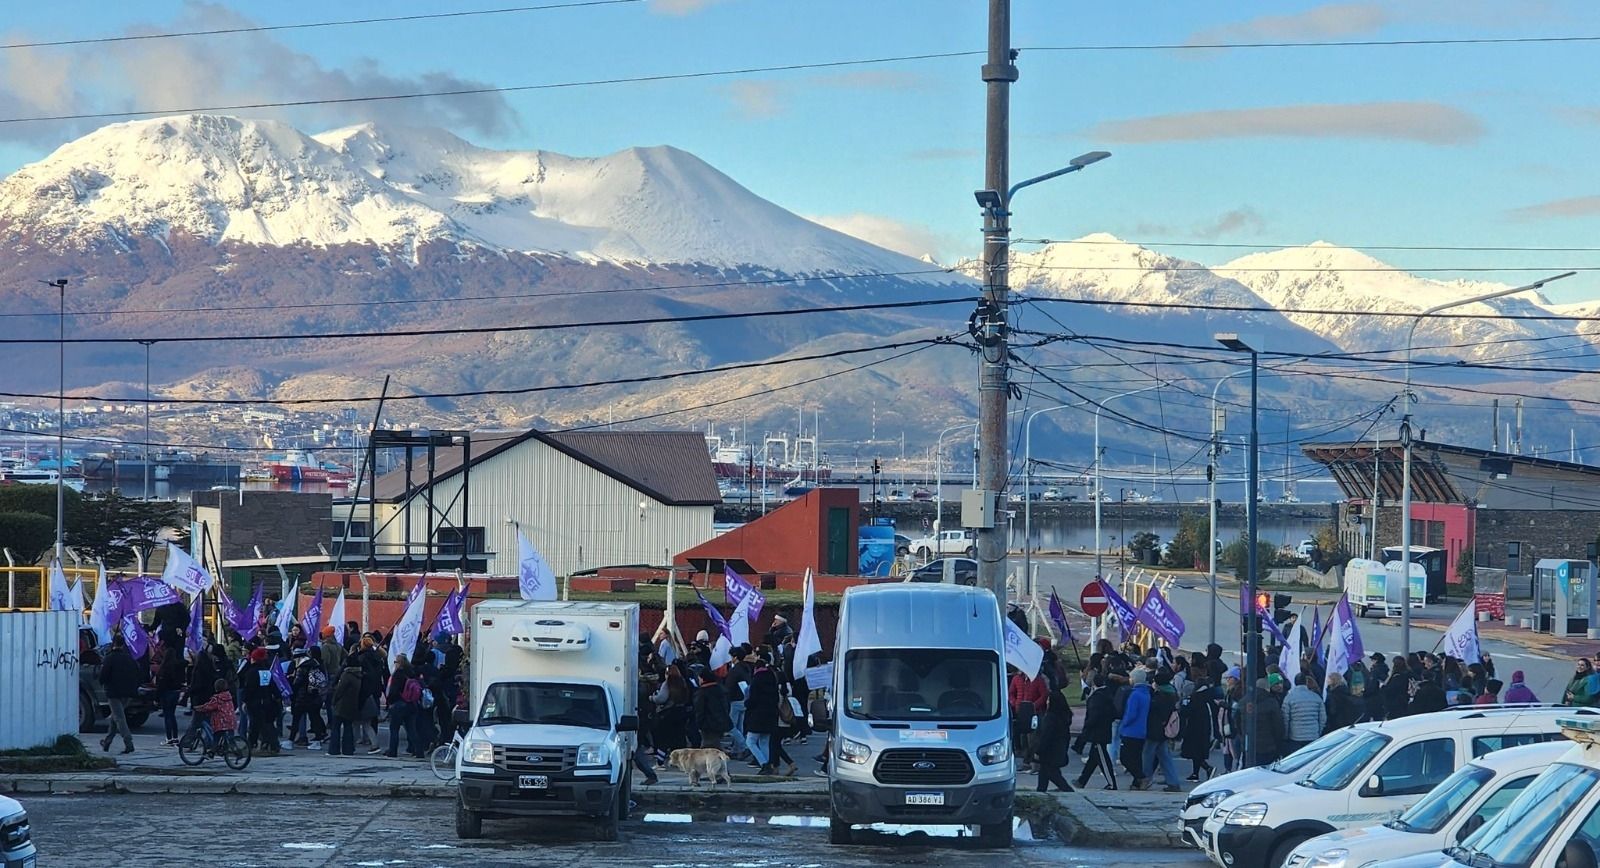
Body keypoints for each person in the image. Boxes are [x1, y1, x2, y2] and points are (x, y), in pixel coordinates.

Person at [98, 634, 142, 754]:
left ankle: (129, 743)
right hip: (128, 693)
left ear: (113, 643)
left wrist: (103, 683)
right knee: (115, 717)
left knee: (119, 718)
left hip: (114, 693)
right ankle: (107, 742)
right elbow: (138, 673)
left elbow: (103, 676)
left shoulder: (109, 658)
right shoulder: (129, 658)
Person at [1074, 674, 1118, 790]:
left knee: (1103, 759)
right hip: (1104, 729)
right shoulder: (1108, 695)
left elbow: (1093, 716)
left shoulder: (1096, 698)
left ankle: (1111, 783)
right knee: (1093, 759)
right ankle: (1082, 780)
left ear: (1094, 684)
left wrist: (1087, 727)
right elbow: (1114, 713)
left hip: (1097, 732)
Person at [1142, 671, 1182, 792]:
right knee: (1165, 756)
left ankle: (1145, 780)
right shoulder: (1171, 693)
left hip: (1154, 730)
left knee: (1147, 755)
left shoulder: (1159, 697)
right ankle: (1173, 782)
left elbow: (1153, 710)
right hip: (1164, 729)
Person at [240, 647, 281, 755]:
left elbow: (249, 688)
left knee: (254, 725)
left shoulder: (251, 672)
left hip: (254, 702)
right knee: (267, 724)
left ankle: (251, 744)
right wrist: (278, 697)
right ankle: (273, 745)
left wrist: (244, 701)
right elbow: (273, 686)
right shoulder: (266, 671)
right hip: (267, 701)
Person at [744, 660, 782, 776]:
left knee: (750, 741)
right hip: (771, 714)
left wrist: (747, 703)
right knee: (764, 741)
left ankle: (764, 764)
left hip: (757, 715)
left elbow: (753, 699)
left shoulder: (756, 680)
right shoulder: (772, 678)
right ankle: (768, 764)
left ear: (756, 668)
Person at [1009, 664, 1048, 774]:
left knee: (1033, 738)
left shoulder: (1037, 680)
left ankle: (1032, 762)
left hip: (1034, 712)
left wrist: (1034, 706)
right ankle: (1026, 762)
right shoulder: (1017, 679)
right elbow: (1011, 693)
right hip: (1021, 712)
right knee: (1024, 739)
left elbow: (1044, 695)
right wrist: (1015, 703)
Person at [385, 654, 425, 759]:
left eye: (395, 662)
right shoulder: (411, 672)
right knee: (411, 729)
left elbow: (393, 691)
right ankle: (419, 751)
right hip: (411, 704)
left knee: (394, 729)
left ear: (399, 663)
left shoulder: (398, 674)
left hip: (399, 704)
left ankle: (392, 751)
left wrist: (390, 701)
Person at [1035, 690, 1075, 793]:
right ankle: (1040, 791)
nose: (1047, 702)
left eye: (1048, 700)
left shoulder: (1050, 718)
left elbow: (1045, 736)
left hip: (1050, 752)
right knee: (1044, 772)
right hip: (1059, 750)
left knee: (1052, 774)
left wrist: (1038, 751)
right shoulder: (1064, 716)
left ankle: (1068, 791)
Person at [1180, 676, 1218, 782]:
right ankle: (1195, 773)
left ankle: (1207, 768)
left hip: (1194, 728)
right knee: (1198, 752)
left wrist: (1182, 707)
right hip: (1205, 728)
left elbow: (1187, 712)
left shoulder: (1196, 697)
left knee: (1193, 752)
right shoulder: (1208, 696)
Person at [1118, 668, 1152, 788]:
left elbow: (1131, 714)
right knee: (1136, 758)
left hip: (1130, 731)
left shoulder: (1135, 694)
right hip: (1141, 730)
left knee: (1125, 758)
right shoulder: (1146, 694)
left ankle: (1141, 777)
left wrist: (1124, 724)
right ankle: (1137, 783)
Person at [1280, 674, 1327, 754]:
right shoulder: (1316, 697)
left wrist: (1286, 735)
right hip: (1313, 735)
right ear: (1306, 682)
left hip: (1295, 736)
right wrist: (1318, 731)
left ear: (1295, 683)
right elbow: (1323, 718)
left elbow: (1285, 719)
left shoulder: (1289, 698)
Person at [154, 636, 187, 746]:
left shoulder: (164, 668)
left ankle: (169, 738)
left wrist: (156, 697)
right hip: (175, 692)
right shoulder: (178, 666)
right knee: (172, 715)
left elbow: (161, 684)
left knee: (167, 716)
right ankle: (175, 737)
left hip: (166, 693)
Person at [328, 657, 363, 756]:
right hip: (352, 704)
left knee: (336, 727)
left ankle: (334, 749)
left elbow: (340, 690)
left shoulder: (347, 675)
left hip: (341, 704)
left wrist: (333, 700)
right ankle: (348, 749)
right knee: (348, 727)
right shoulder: (358, 675)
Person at [1246, 677, 1283, 767]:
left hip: (1250, 744)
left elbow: (1237, 721)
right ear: (1267, 688)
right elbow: (1278, 725)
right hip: (1268, 745)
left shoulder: (1245, 701)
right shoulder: (1272, 702)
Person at [693, 669, 733, 751]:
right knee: (715, 745)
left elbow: (700, 711)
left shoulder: (702, 693)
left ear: (703, 679)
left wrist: (699, 724)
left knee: (708, 748)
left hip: (708, 725)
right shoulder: (721, 689)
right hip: (721, 721)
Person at [1381, 656, 1412, 721]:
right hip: (1403, 700)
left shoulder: (1397, 676)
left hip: (1395, 702)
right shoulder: (1407, 673)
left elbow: (1390, 689)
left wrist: (1383, 688)